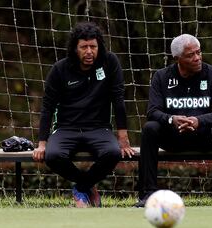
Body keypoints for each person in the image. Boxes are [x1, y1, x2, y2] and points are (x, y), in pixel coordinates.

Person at [32, 21, 135, 208]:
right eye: (84, 47)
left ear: (99, 47)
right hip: (66, 128)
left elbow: (119, 99)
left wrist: (123, 136)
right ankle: (88, 187)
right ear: (75, 48)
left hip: (99, 128)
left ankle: (81, 187)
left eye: (93, 46)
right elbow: (47, 106)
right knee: (53, 155)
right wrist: (41, 143)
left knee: (113, 153)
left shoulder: (110, 62)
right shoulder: (60, 69)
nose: (89, 51)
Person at [135, 34, 212, 207]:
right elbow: (152, 111)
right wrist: (171, 119)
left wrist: (199, 120)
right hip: (173, 137)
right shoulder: (161, 77)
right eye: (190, 55)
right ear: (177, 59)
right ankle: (148, 195)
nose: (197, 58)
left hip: (204, 137)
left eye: (198, 52)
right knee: (150, 128)